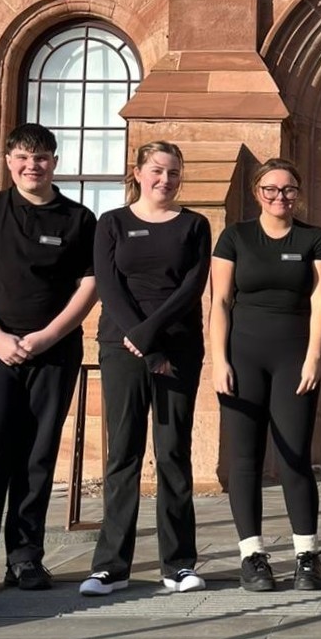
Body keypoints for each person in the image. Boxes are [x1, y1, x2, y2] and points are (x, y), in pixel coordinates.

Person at [0, 123, 97, 597]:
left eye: (42, 157)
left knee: (36, 456)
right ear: (9, 161)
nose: (33, 165)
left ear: (55, 162)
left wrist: (47, 336)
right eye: (23, 157)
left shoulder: (78, 219)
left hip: (53, 353)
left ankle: (25, 558)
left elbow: (90, 285)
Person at [80, 142, 212, 597]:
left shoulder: (194, 225)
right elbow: (109, 284)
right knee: (123, 453)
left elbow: (192, 287)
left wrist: (150, 337)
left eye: (173, 172)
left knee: (173, 452)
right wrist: (139, 340)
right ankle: (110, 567)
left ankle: (178, 564)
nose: (165, 180)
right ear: (137, 172)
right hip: (122, 347)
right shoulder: (112, 223)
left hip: (177, 348)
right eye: (157, 170)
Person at [209, 159, 321, 592]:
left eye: (289, 189)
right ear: (256, 192)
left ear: (298, 193)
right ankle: (253, 556)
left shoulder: (314, 238)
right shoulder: (235, 237)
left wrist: (314, 357)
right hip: (241, 357)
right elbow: (219, 301)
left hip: (294, 358)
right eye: (271, 189)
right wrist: (218, 360)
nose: (280, 197)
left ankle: (307, 556)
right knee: (245, 459)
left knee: (294, 456)